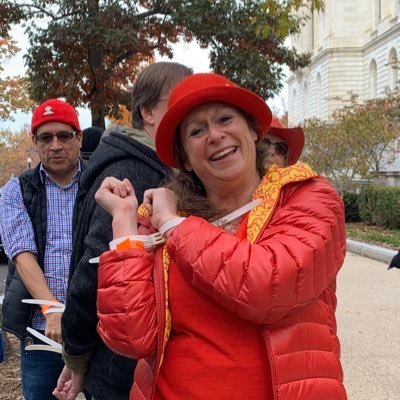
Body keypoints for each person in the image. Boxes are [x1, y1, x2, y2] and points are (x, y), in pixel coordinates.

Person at [94, 73, 347, 399]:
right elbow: (130, 336)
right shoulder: (161, 221)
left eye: (225, 119)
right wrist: (124, 221)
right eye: (196, 131)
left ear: (253, 131)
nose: (214, 135)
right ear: (185, 157)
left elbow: (270, 285)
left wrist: (174, 225)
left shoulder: (307, 196)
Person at [53, 62, 193, 400]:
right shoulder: (135, 172)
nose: (189, 113)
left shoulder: (135, 162)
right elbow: (95, 270)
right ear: (148, 112)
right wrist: (76, 355)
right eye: (180, 102)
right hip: (123, 371)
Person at [0, 99, 85, 400]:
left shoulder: (99, 183)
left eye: (64, 135)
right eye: (46, 138)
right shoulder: (15, 191)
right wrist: (52, 310)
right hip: (41, 333)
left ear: (79, 138)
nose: (55, 145)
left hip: (96, 329)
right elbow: (22, 256)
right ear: (36, 143)